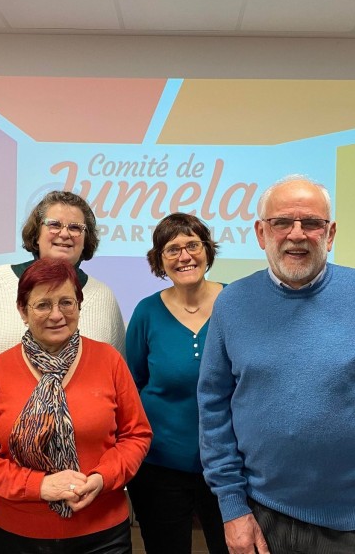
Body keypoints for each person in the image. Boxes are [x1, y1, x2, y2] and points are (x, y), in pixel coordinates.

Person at [197, 175, 355, 554]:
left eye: (312, 223)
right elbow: (214, 409)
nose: (296, 234)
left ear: (330, 233)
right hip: (260, 514)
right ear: (261, 233)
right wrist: (232, 508)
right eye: (281, 222)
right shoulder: (232, 303)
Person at [0, 191, 125, 552]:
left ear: (87, 239)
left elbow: (118, 384)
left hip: (83, 470)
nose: (65, 233)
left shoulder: (103, 297)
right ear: (36, 232)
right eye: (54, 224)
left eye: (76, 227)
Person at [0, 258, 151, 553]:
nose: (57, 315)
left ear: (79, 306)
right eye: (43, 305)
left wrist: (103, 477)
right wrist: (39, 486)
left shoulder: (109, 360)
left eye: (66, 303)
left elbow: (136, 435)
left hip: (103, 532)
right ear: (23, 311)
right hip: (18, 534)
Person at [125, 213, 229, 554]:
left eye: (193, 245)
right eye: (172, 249)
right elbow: (134, 384)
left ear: (207, 250)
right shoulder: (146, 312)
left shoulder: (236, 303)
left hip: (229, 465)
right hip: (159, 466)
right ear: (159, 260)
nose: (184, 256)